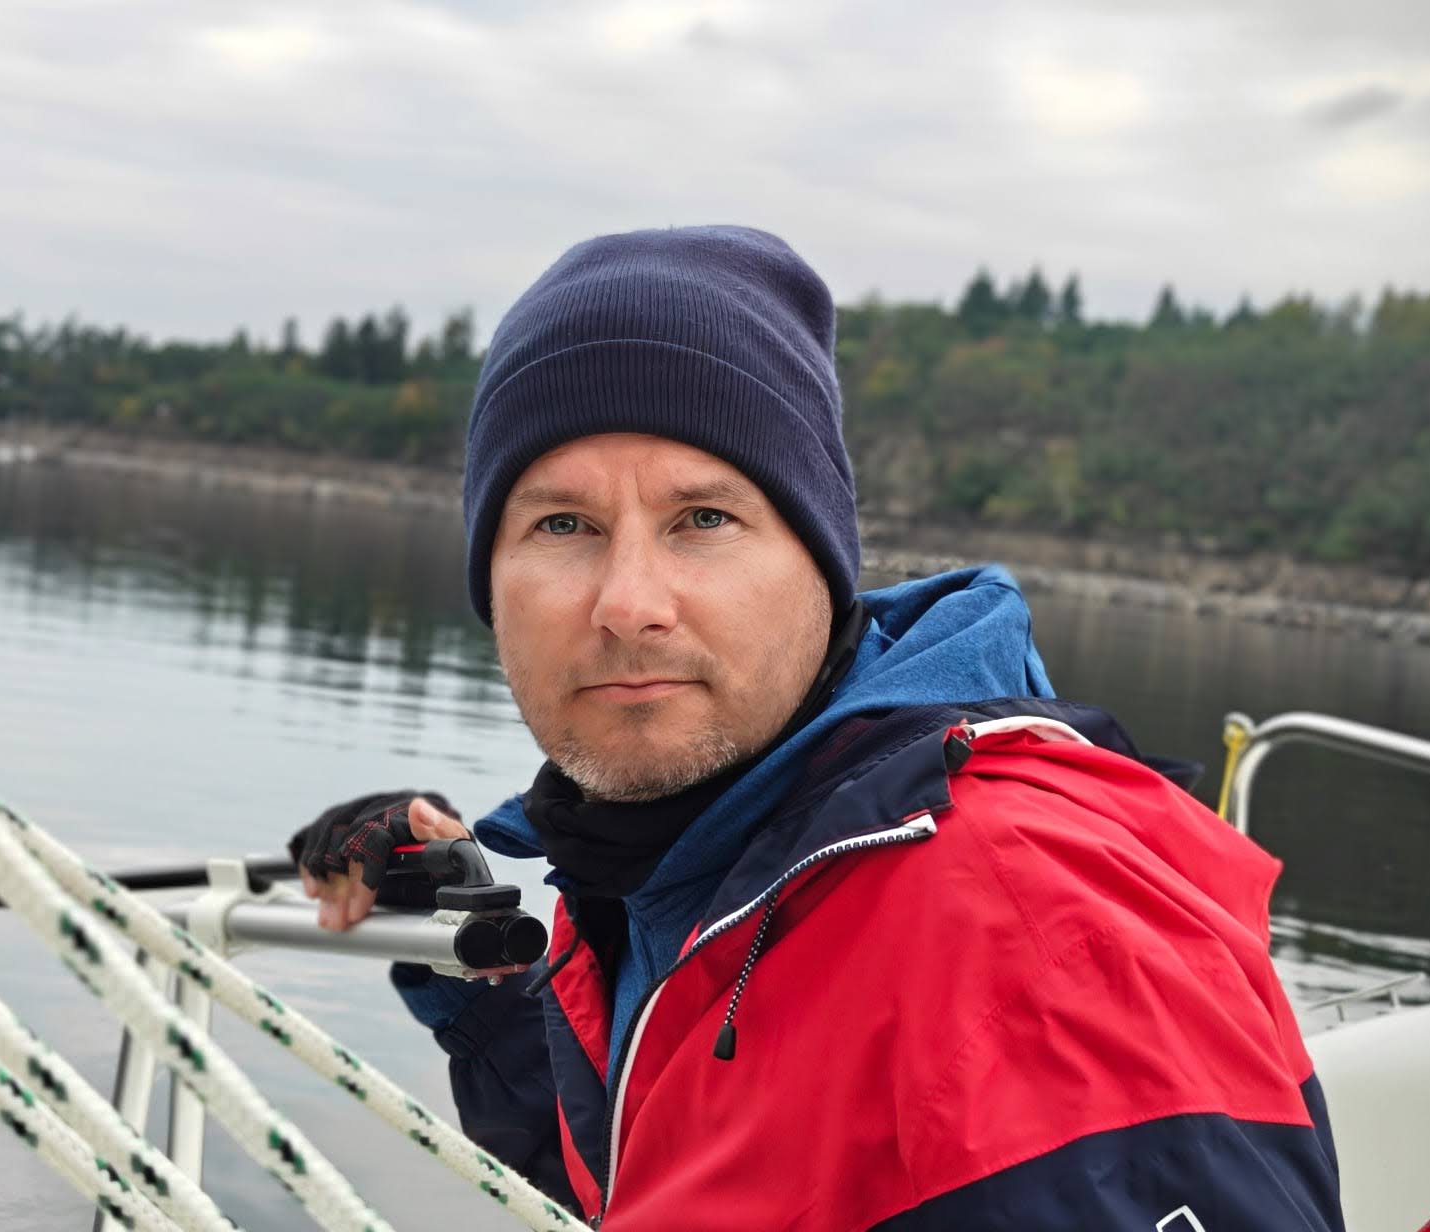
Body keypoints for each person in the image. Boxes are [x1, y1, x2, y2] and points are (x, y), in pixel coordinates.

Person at [288, 227, 1342, 1230]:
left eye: (703, 519)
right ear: (490, 578)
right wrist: (469, 961)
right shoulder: (687, 870)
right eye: (562, 524)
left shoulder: (1022, 926)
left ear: (821, 568)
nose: (626, 601)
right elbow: (682, 1167)